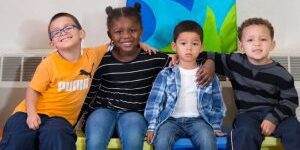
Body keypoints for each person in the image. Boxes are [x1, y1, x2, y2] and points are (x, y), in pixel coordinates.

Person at [78, 3, 215, 150]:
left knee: (133, 140)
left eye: (132, 30)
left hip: (134, 114)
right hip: (102, 111)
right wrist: (78, 119)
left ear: (141, 31)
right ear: (110, 35)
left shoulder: (153, 58)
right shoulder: (102, 60)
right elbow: (89, 93)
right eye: (118, 31)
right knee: (95, 142)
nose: (126, 36)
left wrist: (210, 62)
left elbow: (190, 57)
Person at [0, 12, 108, 150]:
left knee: (57, 135)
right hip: (28, 112)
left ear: (82, 33)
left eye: (68, 28)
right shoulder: (49, 64)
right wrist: (31, 114)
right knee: (18, 137)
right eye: (56, 32)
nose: (62, 33)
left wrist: (140, 44)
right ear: (52, 43)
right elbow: (33, 90)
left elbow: (114, 43)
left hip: (60, 119)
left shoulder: (92, 55)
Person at [210, 17, 300, 150]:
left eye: (263, 39)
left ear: (272, 44)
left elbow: (291, 101)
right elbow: (209, 56)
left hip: (276, 113)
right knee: (244, 133)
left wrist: (273, 118)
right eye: (250, 40)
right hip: (247, 114)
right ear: (241, 46)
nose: (257, 44)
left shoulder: (281, 73)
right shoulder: (235, 62)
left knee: (295, 130)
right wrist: (207, 62)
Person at [144, 20, 226, 150]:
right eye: (183, 43)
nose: (189, 48)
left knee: (208, 141)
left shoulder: (208, 75)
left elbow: (217, 104)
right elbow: (154, 102)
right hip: (170, 120)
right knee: (161, 141)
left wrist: (215, 125)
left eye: (194, 44)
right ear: (174, 46)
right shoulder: (166, 74)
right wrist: (152, 126)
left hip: (199, 120)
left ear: (201, 47)